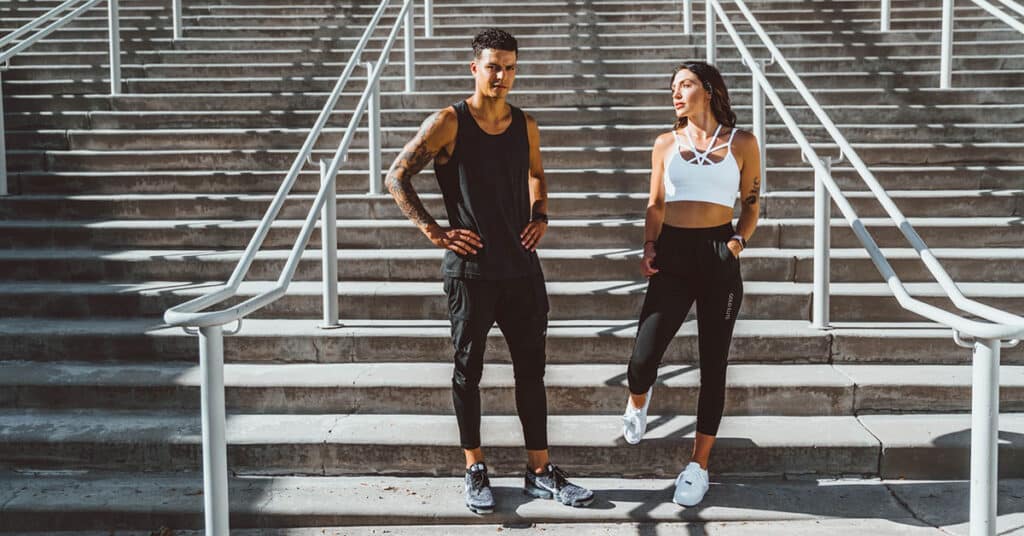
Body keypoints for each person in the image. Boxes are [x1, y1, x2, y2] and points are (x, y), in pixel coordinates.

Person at [384, 27, 594, 515]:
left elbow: (537, 173)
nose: (502, 75)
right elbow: (396, 174)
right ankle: (474, 466)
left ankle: (539, 471)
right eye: (493, 66)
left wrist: (541, 215)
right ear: (474, 67)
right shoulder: (448, 122)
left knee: (531, 372)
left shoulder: (527, 124)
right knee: (467, 371)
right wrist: (437, 233)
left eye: (510, 67)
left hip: (521, 270)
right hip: (471, 273)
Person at [620, 61, 761, 507]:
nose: (676, 93)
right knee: (643, 357)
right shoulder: (665, 143)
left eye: (686, 85)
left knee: (713, 363)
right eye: (673, 87)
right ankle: (638, 399)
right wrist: (648, 244)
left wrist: (737, 243)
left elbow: (753, 203)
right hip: (674, 252)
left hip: (719, 253)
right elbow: (655, 203)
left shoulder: (743, 142)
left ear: (709, 90)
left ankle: (698, 465)